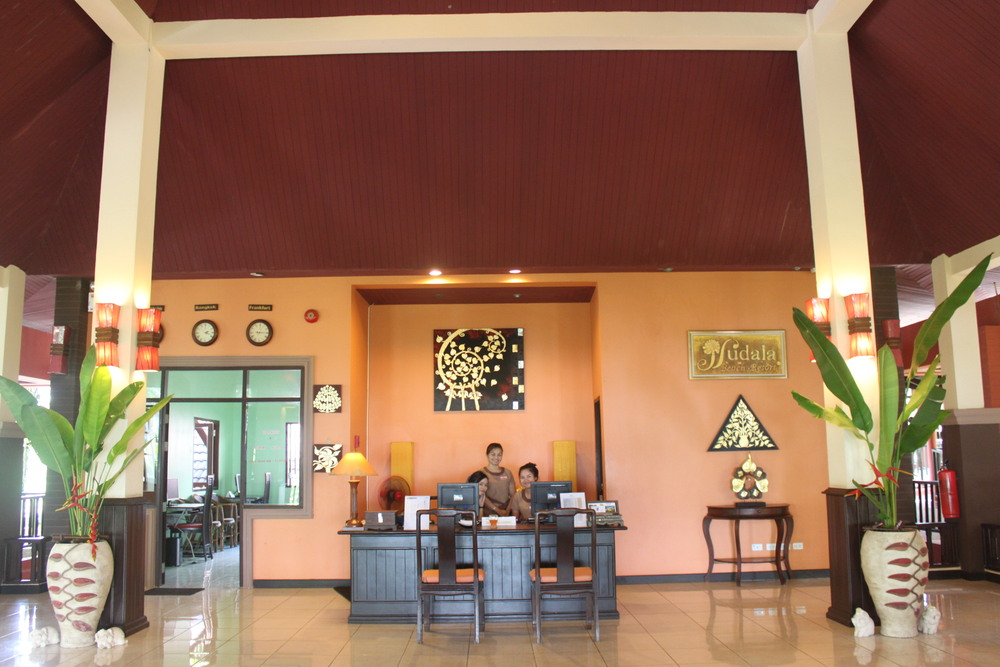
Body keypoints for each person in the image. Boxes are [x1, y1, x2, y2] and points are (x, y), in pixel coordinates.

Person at [478, 442, 514, 515]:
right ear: (487, 455)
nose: (496, 457)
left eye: (499, 455)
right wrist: (497, 510)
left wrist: (507, 511)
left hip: (506, 513)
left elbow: (513, 495)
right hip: (488, 513)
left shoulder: (508, 472)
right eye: (493, 454)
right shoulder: (481, 473)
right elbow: (481, 495)